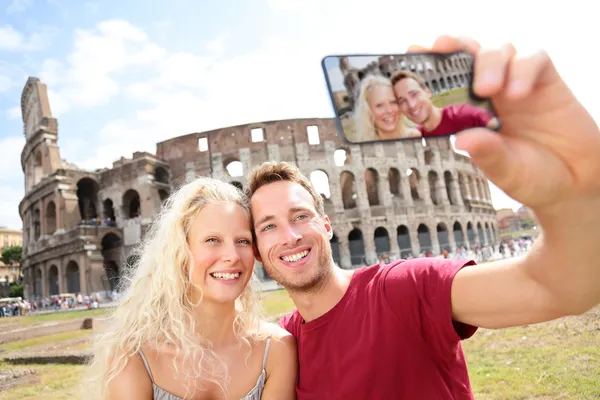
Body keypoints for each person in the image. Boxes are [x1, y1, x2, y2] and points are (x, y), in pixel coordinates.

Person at [246, 35, 600, 399]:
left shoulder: (401, 289)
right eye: (269, 225)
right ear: (256, 249)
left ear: (326, 224)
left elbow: (555, 289)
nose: (289, 235)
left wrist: (577, 203)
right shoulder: (281, 347)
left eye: (301, 215)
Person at [86, 177, 297, 400]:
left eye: (242, 241)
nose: (232, 256)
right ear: (180, 253)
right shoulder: (134, 356)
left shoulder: (276, 349)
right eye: (212, 240)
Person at [391, 69, 500, 137]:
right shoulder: (416, 136)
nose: (411, 104)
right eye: (402, 101)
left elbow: (499, 127)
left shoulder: (464, 115)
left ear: (427, 92)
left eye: (414, 94)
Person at [354, 74, 422, 142]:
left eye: (393, 102)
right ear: (368, 110)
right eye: (379, 105)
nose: (389, 110)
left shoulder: (413, 137)